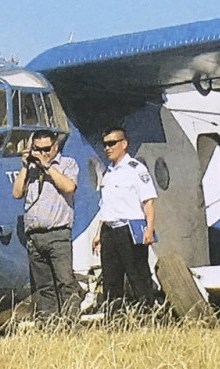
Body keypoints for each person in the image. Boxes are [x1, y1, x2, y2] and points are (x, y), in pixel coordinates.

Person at [10, 130, 80, 321]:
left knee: (65, 281)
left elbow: (69, 187)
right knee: (44, 285)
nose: (43, 153)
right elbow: (17, 193)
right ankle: (50, 324)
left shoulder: (67, 164)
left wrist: (48, 167)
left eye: (47, 149)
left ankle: (71, 322)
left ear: (55, 146)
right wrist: (25, 167)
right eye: (37, 149)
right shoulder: (30, 170)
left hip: (58, 234)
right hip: (35, 236)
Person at [93, 127, 158, 309]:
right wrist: (99, 234)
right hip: (110, 230)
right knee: (111, 279)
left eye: (112, 143)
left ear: (124, 144)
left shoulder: (136, 170)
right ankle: (115, 321)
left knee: (138, 275)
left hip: (130, 229)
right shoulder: (109, 173)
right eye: (105, 144)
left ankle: (148, 316)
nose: (107, 148)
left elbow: (149, 202)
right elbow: (105, 207)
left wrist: (150, 229)